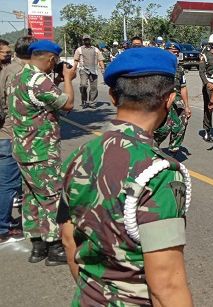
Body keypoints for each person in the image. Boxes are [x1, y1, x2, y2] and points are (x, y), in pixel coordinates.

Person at [59, 47, 193, 306]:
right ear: (169, 99)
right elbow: (166, 286)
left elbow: (68, 241)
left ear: (112, 96)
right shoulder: (158, 173)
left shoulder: (79, 156)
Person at [8, 40, 76, 265]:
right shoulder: (38, 80)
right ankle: (55, 248)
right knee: (51, 198)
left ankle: (37, 246)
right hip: (41, 150)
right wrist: (67, 79)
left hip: (22, 148)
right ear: (51, 59)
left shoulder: (18, 76)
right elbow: (66, 104)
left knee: (31, 198)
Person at [0, 38, 26, 245]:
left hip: (5, 133)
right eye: (4, 53)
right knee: (8, 183)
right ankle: (3, 227)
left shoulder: (5, 70)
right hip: (7, 134)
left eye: (9, 52)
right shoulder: (14, 72)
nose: (7, 55)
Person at [154, 42, 191, 154]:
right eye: (172, 52)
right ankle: (153, 145)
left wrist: (187, 106)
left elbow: (183, 87)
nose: (174, 55)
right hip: (162, 100)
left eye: (176, 53)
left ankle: (174, 150)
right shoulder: (158, 67)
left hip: (177, 102)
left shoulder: (179, 69)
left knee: (182, 123)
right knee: (163, 128)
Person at [73, 34, 105, 108]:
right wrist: (73, 70)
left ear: (90, 40)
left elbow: (100, 60)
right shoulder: (79, 49)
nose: (86, 40)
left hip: (94, 70)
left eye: (88, 39)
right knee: (83, 85)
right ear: (83, 41)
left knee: (94, 88)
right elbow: (76, 60)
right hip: (83, 70)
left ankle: (92, 102)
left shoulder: (96, 49)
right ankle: (84, 101)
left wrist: (103, 69)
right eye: (85, 40)